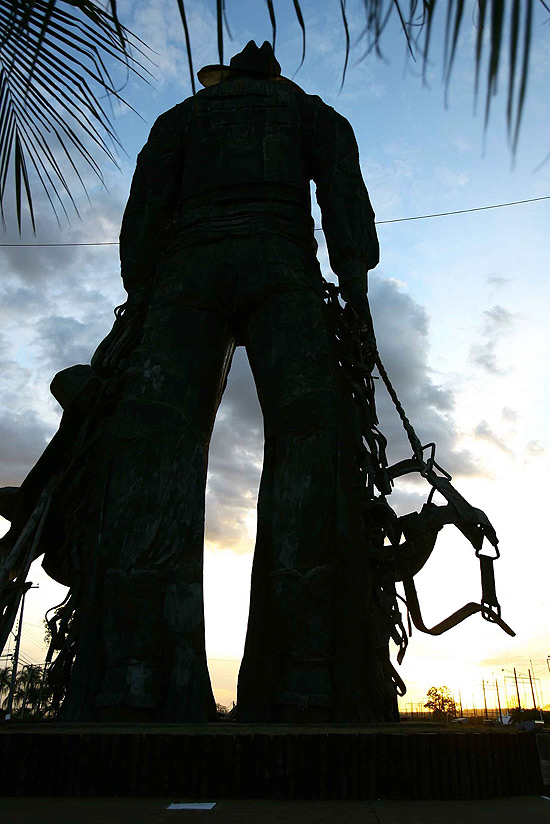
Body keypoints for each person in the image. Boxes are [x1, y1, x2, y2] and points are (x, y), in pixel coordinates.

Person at [46, 40, 397, 722]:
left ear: (224, 78)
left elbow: (143, 217)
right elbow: (346, 203)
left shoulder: (180, 117)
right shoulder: (309, 111)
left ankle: (133, 673)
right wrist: (354, 293)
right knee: (311, 440)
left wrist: (143, 292)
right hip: (282, 270)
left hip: (186, 280)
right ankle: (307, 672)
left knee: (152, 448)